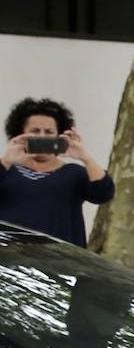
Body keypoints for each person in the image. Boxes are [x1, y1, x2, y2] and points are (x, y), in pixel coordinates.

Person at [0, 97, 114, 247]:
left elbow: (104, 193)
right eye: (35, 131)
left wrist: (84, 157)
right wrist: (6, 161)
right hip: (12, 261)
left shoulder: (74, 174)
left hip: (59, 262)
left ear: (59, 137)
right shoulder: (6, 171)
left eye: (49, 132)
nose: (42, 136)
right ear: (20, 135)